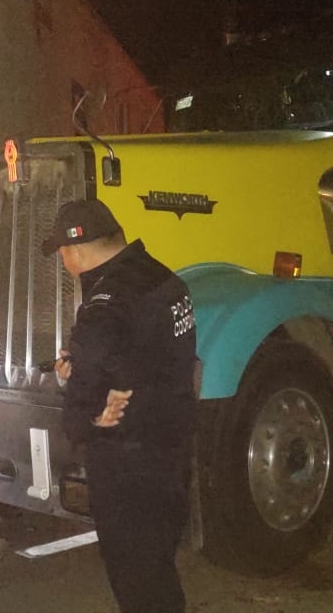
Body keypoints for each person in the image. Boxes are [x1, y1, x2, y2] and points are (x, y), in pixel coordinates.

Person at [41, 198, 197, 613]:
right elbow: (148, 358)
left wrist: (87, 414)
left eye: (62, 254)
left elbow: (81, 414)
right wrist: (92, 374)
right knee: (159, 567)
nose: (64, 262)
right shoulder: (165, 280)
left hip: (128, 469)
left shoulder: (103, 305)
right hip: (173, 450)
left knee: (136, 578)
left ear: (73, 252)